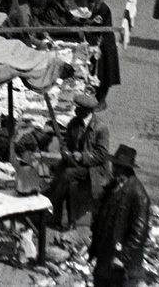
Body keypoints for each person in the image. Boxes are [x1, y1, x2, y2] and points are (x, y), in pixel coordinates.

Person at [45, 91, 111, 231]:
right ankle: (70, 221)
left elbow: (102, 154)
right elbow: (66, 142)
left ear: (87, 111)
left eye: (78, 108)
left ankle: (50, 207)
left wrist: (82, 156)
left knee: (67, 174)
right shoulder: (74, 123)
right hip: (74, 164)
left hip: (94, 168)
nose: (75, 110)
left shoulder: (101, 128)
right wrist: (65, 152)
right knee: (68, 182)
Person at [89, 146, 150, 287]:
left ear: (127, 170)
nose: (114, 170)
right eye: (115, 166)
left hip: (122, 263)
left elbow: (139, 233)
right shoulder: (113, 186)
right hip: (105, 257)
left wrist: (122, 257)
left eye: (118, 167)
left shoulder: (139, 195)